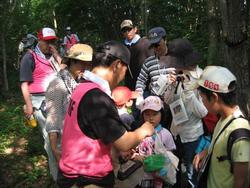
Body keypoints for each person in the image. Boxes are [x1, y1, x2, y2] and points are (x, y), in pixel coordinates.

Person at [57, 40, 155, 188]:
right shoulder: (97, 98)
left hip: (73, 172)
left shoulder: (82, 87)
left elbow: (92, 130)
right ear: (116, 65)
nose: (122, 79)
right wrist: (145, 129)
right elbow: (125, 142)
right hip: (86, 179)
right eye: (124, 72)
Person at [192, 66, 250, 188]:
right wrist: (205, 152)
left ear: (214, 97)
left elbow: (241, 182)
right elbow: (219, 143)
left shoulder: (239, 134)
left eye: (202, 98)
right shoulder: (223, 118)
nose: (202, 101)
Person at [162, 38, 208, 187]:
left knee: (191, 173)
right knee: (173, 167)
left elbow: (203, 113)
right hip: (175, 133)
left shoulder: (201, 78)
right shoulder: (177, 74)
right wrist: (171, 85)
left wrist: (189, 92)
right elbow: (168, 101)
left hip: (192, 135)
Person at [45, 44, 93, 180]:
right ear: (71, 62)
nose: (84, 67)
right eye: (81, 63)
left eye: (87, 63)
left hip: (77, 140)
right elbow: (53, 119)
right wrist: (55, 149)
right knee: (66, 178)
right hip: (62, 141)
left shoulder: (79, 82)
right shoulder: (57, 84)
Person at [19, 27, 62, 180]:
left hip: (58, 100)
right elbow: (24, 84)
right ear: (40, 40)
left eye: (53, 41)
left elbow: (65, 70)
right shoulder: (29, 57)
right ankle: (57, 176)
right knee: (51, 141)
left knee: (63, 137)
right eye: (47, 41)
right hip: (41, 101)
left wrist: (56, 54)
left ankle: (66, 171)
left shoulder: (52, 56)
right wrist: (29, 105)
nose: (50, 44)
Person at [133, 96, 176, 188]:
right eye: (147, 114)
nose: (151, 118)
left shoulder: (166, 134)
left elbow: (171, 154)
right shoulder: (139, 133)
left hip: (161, 176)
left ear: (162, 114)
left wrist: (160, 160)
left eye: (155, 114)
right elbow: (132, 152)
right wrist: (137, 157)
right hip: (143, 176)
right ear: (142, 115)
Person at [135, 26, 173, 99]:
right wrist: (139, 96)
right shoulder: (148, 62)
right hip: (155, 103)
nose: (155, 48)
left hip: (174, 102)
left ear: (165, 40)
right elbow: (141, 80)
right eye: (152, 45)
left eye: (157, 44)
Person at [120, 19, 153, 90]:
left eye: (129, 29)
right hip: (129, 86)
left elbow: (152, 63)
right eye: (124, 30)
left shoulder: (146, 43)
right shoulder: (122, 46)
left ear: (135, 29)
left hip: (146, 85)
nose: (127, 32)